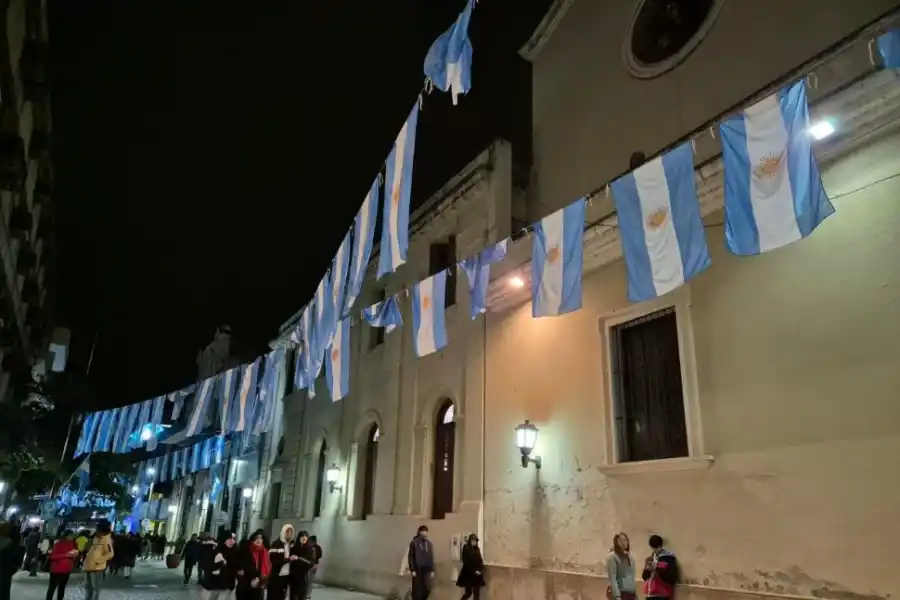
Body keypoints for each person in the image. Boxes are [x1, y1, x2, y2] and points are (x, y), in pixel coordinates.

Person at [201, 530, 239, 600]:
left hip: (226, 587)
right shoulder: (213, 550)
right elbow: (205, 566)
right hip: (211, 586)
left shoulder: (235, 552)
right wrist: (220, 563)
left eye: (234, 539)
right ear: (224, 539)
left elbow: (236, 569)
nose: (232, 541)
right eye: (229, 539)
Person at [83, 521, 115, 600]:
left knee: (95, 589)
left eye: (97, 528)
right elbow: (86, 549)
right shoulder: (94, 537)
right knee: (87, 588)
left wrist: (98, 560)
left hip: (97, 568)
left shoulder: (106, 539)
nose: (96, 529)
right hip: (88, 566)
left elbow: (110, 553)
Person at [642, 535, 679, 600]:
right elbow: (644, 577)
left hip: (663, 593)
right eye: (653, 548)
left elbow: (671, 577)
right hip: (650, 593)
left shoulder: (668, 558)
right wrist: (647, 569)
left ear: (660, 546)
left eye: (656, 547)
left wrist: (657, 568)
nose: (655, 550)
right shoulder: (651, 558)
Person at [238, 530, 271, 600]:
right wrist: (250, 580)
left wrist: (260, 580)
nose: (259, 540)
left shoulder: (265, 552)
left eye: (261, 538)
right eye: (257, 538)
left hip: (259, 584)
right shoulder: (246, 550)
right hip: (246, 585)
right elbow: (240, 568)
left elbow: (267, 569)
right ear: (253, 539)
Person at [46, 530, 79, 600]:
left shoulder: (72, 543)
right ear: (66, 535)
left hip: (66, 570)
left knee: (62, 588)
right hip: (56, 570)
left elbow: (74, 554)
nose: (72, 537)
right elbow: (53, 556)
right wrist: (65, 555)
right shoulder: (58, 544)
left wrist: (74, 555)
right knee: (52, 587)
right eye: (71, 535)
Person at [408, 525, 435, 600]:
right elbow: (411, 557)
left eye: (426, 531)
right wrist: (412, 569)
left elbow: (431, 557)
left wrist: (432, 569)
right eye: (423, 531)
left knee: (427, 588)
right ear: (419, 532)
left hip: (426, 570)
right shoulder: (414, 543)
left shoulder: (429, 544)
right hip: (417, 570)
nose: (425, 533)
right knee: (417, 590)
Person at [606, 532, 636, 600]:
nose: (623, 542)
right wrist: (617, 596)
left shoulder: (631, 558)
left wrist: (635, 594)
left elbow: (632, 577)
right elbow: (612, 577)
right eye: (620, 540)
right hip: (620, 592)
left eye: (625, 540)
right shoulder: (612, 557)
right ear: (616, 542)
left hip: (630, 592)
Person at [268, 524, 294, 600]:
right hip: (276, 575)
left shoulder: (291, 545)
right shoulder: (277, 544)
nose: (289, 533)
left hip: (286, 576)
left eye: (291, 531)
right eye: (287, 531)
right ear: (283, 532)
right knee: (274, 596)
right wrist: (287, 560)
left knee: (283, 596)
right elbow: (273, 559)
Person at [0, 520, 25, 600]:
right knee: (4, 593)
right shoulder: (13, 545)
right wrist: (11, 571)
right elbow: (17, 562)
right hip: (5, 574)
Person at [288, 531, 316, 600]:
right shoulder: (294, 548)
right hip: (294, 577)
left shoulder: (310, 550)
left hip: (304, 578)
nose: (304, 538)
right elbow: (289, 560)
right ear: (299, 538)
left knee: (302, 596)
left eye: (305, 536)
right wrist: (290, 559)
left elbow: (310, 563)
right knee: (293, 596)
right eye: (302, 536)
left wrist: (298, 558)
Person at [456, 534, 485, 600]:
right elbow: (466, 561)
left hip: (477, 575)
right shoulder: (466, 548)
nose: (474, 542)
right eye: (472, 541)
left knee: (476, 593)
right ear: (470, 541)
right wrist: (474, 570)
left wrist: (480, 570)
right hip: (468, 574)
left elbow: (480, 560)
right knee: (468, 593)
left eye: (475, 541)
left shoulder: (477, 549)